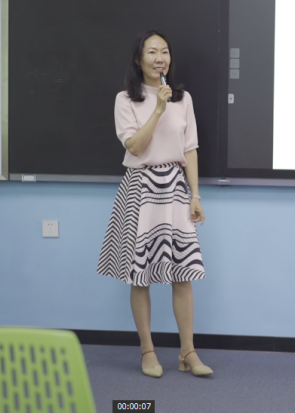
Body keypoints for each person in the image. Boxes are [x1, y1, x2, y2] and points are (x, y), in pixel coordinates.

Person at [97, 30, 212, 378]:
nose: (159, 58)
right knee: (140, 275)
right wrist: (158, 109)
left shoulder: (183, 98)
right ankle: (147, 351)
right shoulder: (125, 99)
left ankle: (188, 352)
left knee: (183, 273)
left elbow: (190, 148)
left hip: (175, 187)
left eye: (164, 51)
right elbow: (134, 146)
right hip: (141, 187)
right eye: (151, 51)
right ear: (138, 59)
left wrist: (195, 195)